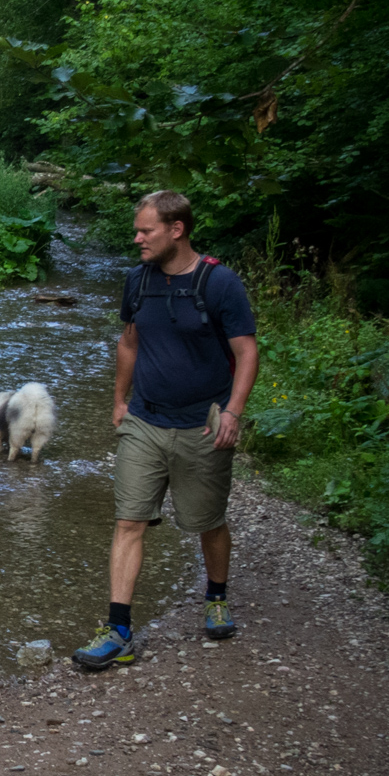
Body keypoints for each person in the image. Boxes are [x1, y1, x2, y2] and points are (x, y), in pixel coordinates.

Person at [73, 191, 260, 671]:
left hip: (203, 424)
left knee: (207, 521)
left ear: (176, 229)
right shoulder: (137, 281)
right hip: (145, 421)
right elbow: (129, 342)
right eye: (137, 230)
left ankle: (215, 597)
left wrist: (234, 413)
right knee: (129, 521)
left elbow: (246, 352)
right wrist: (119, 400)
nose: (137, 238)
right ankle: (118, 630)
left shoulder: (219, 284)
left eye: (145, 231)